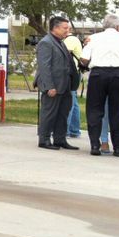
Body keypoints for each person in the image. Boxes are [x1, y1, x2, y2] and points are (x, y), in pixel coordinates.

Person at [82, 13, 119, 156]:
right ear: (118, 25)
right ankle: (118, 147)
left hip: (98, 74)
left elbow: (84, 59)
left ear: (104, 25)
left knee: (95, 110)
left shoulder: (94, 39)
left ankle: (95, 145)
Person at [33, 15, 77, 151]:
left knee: (62, 114)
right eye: (65, 28)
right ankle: (44, 139)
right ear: (55, 28)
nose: (67, 31)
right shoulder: (46, 42)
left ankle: (60, 139)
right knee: (49, 113)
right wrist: (49, 86)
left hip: (64, 86)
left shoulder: (60, 41)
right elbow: (44, 67)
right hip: (53, 86)